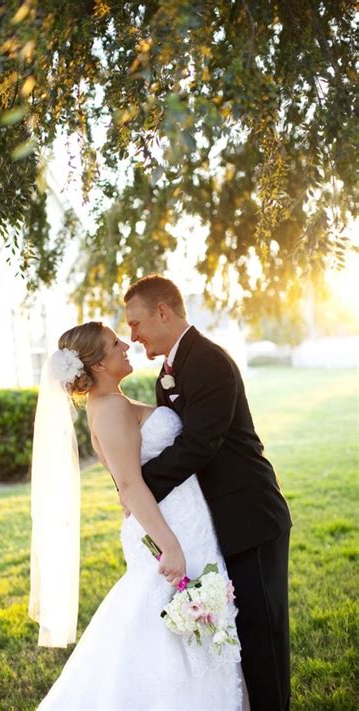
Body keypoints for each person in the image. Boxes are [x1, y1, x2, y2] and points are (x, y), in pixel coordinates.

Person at [30, 320, 250, 710]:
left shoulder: (114, 403)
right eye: (115, 344)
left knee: (197, 625)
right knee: (166, 634)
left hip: (184, 521)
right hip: (168, 530)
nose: (126, 346)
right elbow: (129, 486)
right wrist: (170, 547)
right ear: (97, 365)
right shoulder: (111, 409)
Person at [124, 275, 293, 711]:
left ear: (164, 312)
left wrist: (139, 489)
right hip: (213, 521)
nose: (133, 335)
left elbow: (199, 444)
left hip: (250, 516)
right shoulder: (167, 375)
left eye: (136, 323)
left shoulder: (210, 362)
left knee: (263, 635)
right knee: (238, 633)